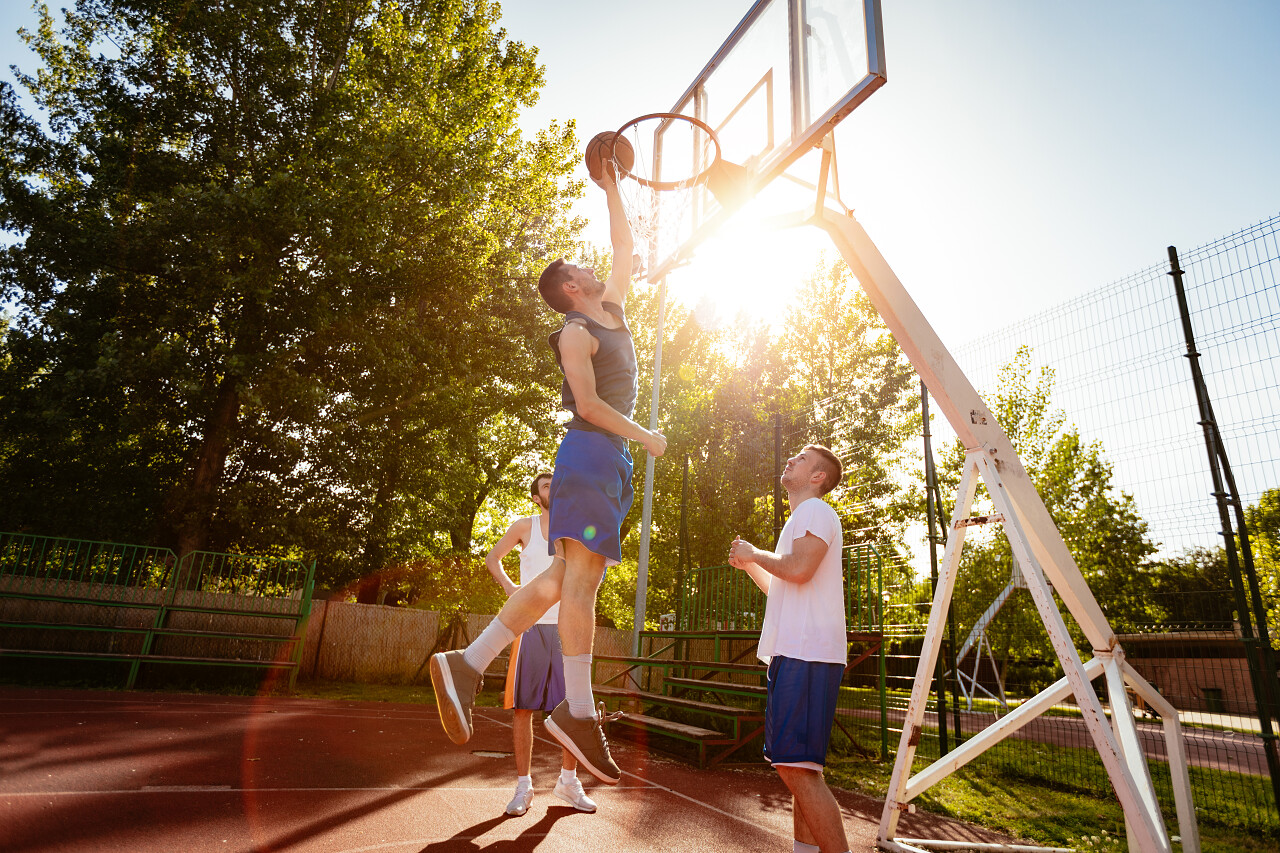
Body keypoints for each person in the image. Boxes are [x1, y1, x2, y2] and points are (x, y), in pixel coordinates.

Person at [430, 159, 666, 786]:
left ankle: (469, 663)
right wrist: (645, 436)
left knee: (565, 578)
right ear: (569, 287)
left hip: (606, 462)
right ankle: (578, 711)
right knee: (582, 584)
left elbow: (624, 246)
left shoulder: (612, 309)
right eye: (578, 267)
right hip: (591, 453)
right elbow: (587, 405)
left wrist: (613, 186)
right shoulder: (575, 332)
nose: (592, 266)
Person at [728, 445, 851, 853]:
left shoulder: (815, 510)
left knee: (795, 769)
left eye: (801, 458)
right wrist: (751, 564)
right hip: (796, 652)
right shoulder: (801, 519)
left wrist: (755, 553)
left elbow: (798, 569)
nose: (790, 460)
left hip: (808, 652)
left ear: (817, 477)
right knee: (801, 768)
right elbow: (781, 586)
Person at [483, 472, 596, 815]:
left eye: (556, 483)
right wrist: (510, 588)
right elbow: (492, 558)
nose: (554, 487)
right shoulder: (524, 527)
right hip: (530, 627)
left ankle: (568, 782)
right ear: (536, 497)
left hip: (567, 629)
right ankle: (524, 787)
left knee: (573, 709)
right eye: (546, 485)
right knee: (523, 709)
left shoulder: (573, 529)